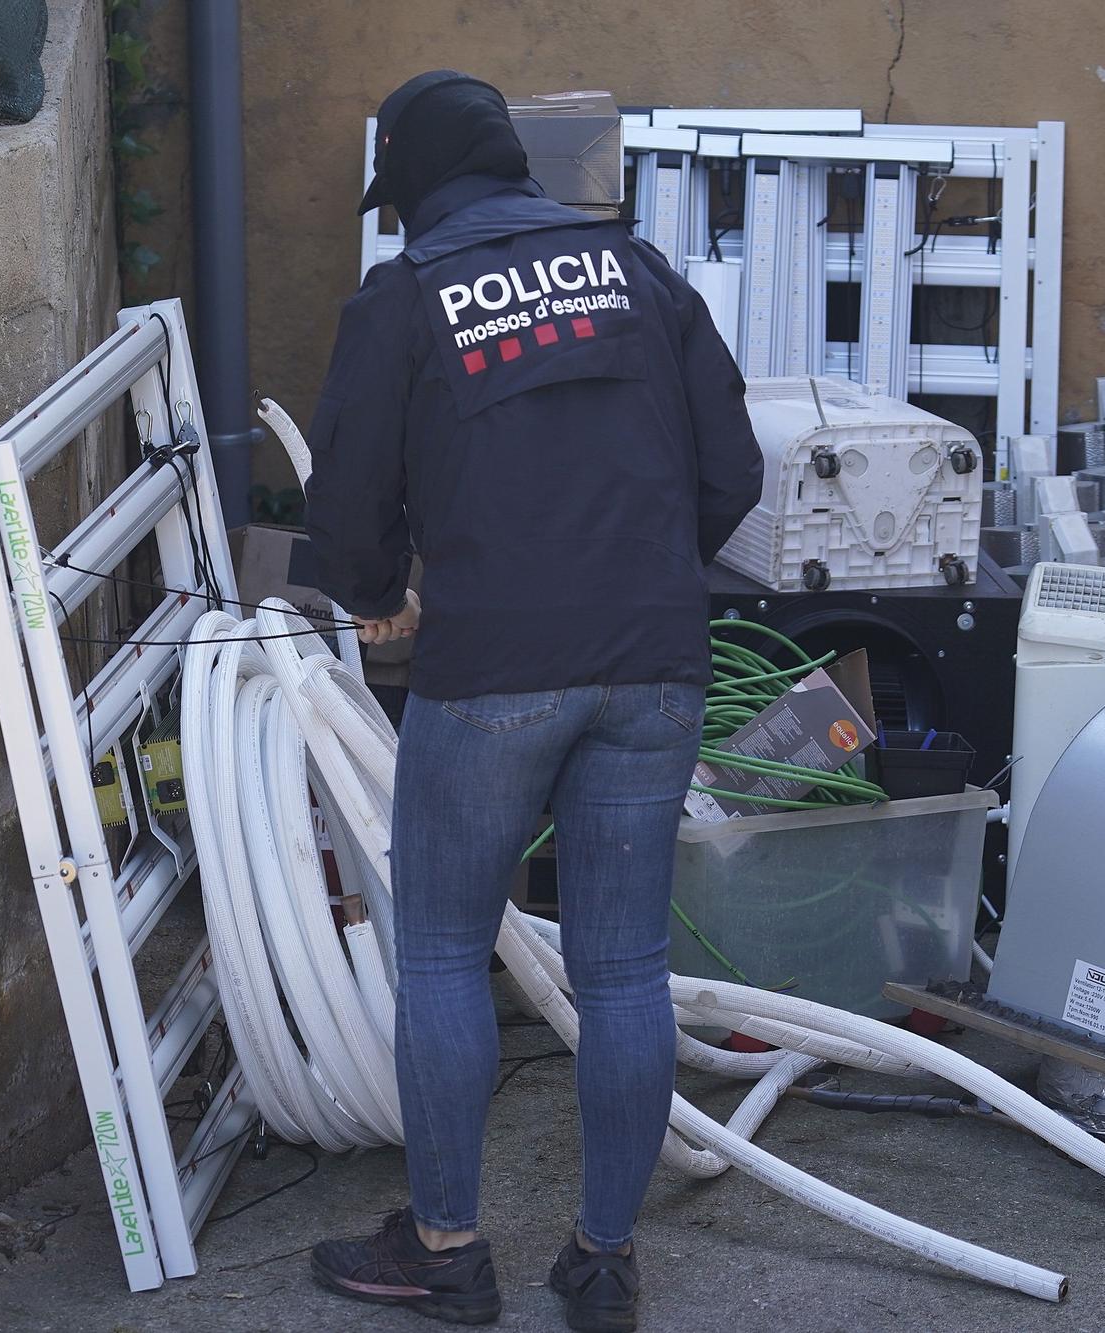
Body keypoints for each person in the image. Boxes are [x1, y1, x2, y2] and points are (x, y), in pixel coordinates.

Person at [302, 70, 762, 1332]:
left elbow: (343, 494)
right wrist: (643, 571)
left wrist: (373, 588)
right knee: (623, 967)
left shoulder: (404, 297)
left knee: (446, 948)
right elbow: (732, 467)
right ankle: (602, 1261)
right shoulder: (638, 273)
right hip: (654, 660)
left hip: (493, 669)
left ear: (417, 193)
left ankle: (448, 1250)